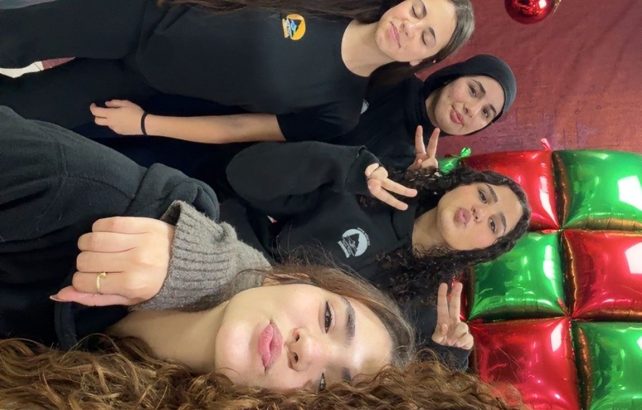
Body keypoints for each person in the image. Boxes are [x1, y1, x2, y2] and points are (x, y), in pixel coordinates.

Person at [0, 106, 522, 408]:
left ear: (486, 250)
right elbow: (245, 177)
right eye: (483, 196)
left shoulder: (423, 315)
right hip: (180, 233)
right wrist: (197, 253)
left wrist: (449, 361)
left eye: (494, 224)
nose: (308, 350)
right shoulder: (372, 183)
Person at [0, 0, 474, 143]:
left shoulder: (339, 110)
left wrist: (145, 123)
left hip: (138, 84)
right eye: (417, 9)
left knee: (20, 113)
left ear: (421, 61)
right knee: (12, 35)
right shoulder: (337, 4)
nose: (410, 27)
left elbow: (238, 128)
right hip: (141, 15)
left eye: (426, 36)